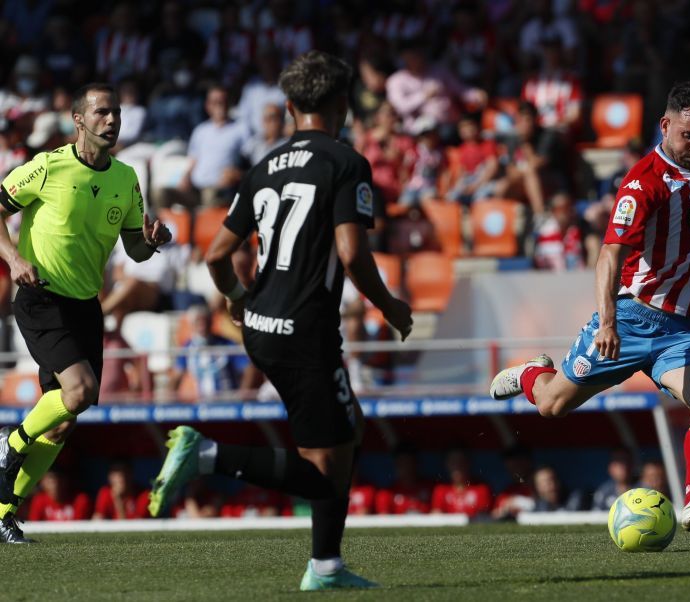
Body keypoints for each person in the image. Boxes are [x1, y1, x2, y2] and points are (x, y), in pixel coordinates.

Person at [148, 51, 412, 591]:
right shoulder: (345, 162)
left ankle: (327, 565)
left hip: (262, 326)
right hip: (305, 329)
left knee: (347, 431)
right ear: (343, 106)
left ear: (289, 107)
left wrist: (236, 299)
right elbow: (352, 252)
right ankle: (207, 455)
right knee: (324, 469)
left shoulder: (264, 165)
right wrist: (390, 306)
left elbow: (217, 255)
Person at [489, 80, 690, 533]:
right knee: (552, 407)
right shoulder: (641, 185)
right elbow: (609, 256)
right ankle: (533, 372)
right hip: (631, 320)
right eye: (687, 136)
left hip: (685, 330)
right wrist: (608, 323)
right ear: (664, 125)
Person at [0, 82, 172, 544]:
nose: (111, 120)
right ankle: (9, 442)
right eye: (101, 113)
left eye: (115, 112)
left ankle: (1, 509)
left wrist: (152, 241)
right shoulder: (48, 166)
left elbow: (135, 250)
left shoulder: (126, 178)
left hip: (84, 305)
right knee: (80, 391)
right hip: (41, 296)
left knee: (61, 422)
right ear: (79, 120)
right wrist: (14, 259)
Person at [181, 85, 245, 207]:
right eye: (215, 102)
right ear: (207, 105)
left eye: (222, 101)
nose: (219, 105)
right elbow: (193, 159)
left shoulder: (240, 128)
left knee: (210, 196)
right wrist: (185, 176)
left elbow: (250, 158)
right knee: (161, 194)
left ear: (228, 103)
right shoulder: (200, 130)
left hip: (220, 189)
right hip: (195, 187)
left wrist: (238, 173)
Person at [430, 449, 492, 517]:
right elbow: (436, 515)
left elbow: (484, 517)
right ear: (446, 464)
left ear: (468, 463)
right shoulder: (440, 490)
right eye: (453, 462)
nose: (457, 466)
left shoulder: (481, 488)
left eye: (461, 461)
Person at [27, 470, 91, 521]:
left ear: (66, 480)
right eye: (50, 479)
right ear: (42, 482)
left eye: (59, 478)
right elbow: (34, 526)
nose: (55, 484)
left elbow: (80, 527)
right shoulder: (39, 500)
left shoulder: (80, 500)